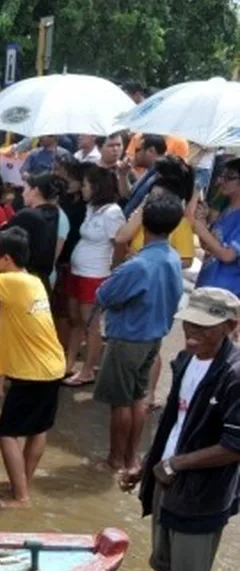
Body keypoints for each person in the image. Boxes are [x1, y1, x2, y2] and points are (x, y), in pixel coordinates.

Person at [119, 288, 240, 571]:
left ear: (231, 328)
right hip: (168, 481)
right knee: (164, 564)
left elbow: (235, 446)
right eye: (190, 322)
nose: (192, 332)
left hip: (202, 494)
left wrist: (178, 464)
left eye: (205, 327)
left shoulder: (235, 376)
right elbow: (176, 422)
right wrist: (149, 465)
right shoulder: (186, 359)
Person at [0, 227, 66, 508]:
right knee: (38, 429)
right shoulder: (34, 281)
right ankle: (22, 485)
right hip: (52, 367)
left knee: (5, 433)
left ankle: (21, 497)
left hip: (33, 372)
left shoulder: (13, 281)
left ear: (6, 259)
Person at [94, 194, 185, 473]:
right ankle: (131, 459)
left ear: (143, 222)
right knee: (139, 398)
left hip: (128, 338)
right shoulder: (172, 257)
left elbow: (104, 295)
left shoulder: (138, 265)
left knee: (120, 402)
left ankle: (115, 459)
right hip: (153, 338)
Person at [63, 166, 126, 386]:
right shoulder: (91, 208)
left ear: (97, 187)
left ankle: (88, 370)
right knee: (75, 320)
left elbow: (118, 243)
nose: (83, 188)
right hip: (77, 271)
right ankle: (68, 364)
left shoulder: (113, 213)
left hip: (95, 274)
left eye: (87, 184)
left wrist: (114, 271)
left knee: (91, 324)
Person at [4, 172, 65, 290]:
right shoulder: (54, 213)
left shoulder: (27, 215)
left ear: (35, 190)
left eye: (25, 188)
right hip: (42, 280)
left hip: (24, 280)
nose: (22, 193)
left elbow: (2, 240)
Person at [194, 157, 240, 294]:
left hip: (224, 294)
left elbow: (228, 255)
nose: (221, 181)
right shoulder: (226, 210)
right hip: (206, 285)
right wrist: (202, 221)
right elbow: (208, 246)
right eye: (222, 176)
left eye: (229, 177)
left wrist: (200, 229)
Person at [122, 135, 169, 213]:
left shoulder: (160, 177)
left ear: (151, 150)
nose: (136, 153)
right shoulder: (150, 171)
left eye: (139, 149)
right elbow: (129, 195)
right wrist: (123, 175)